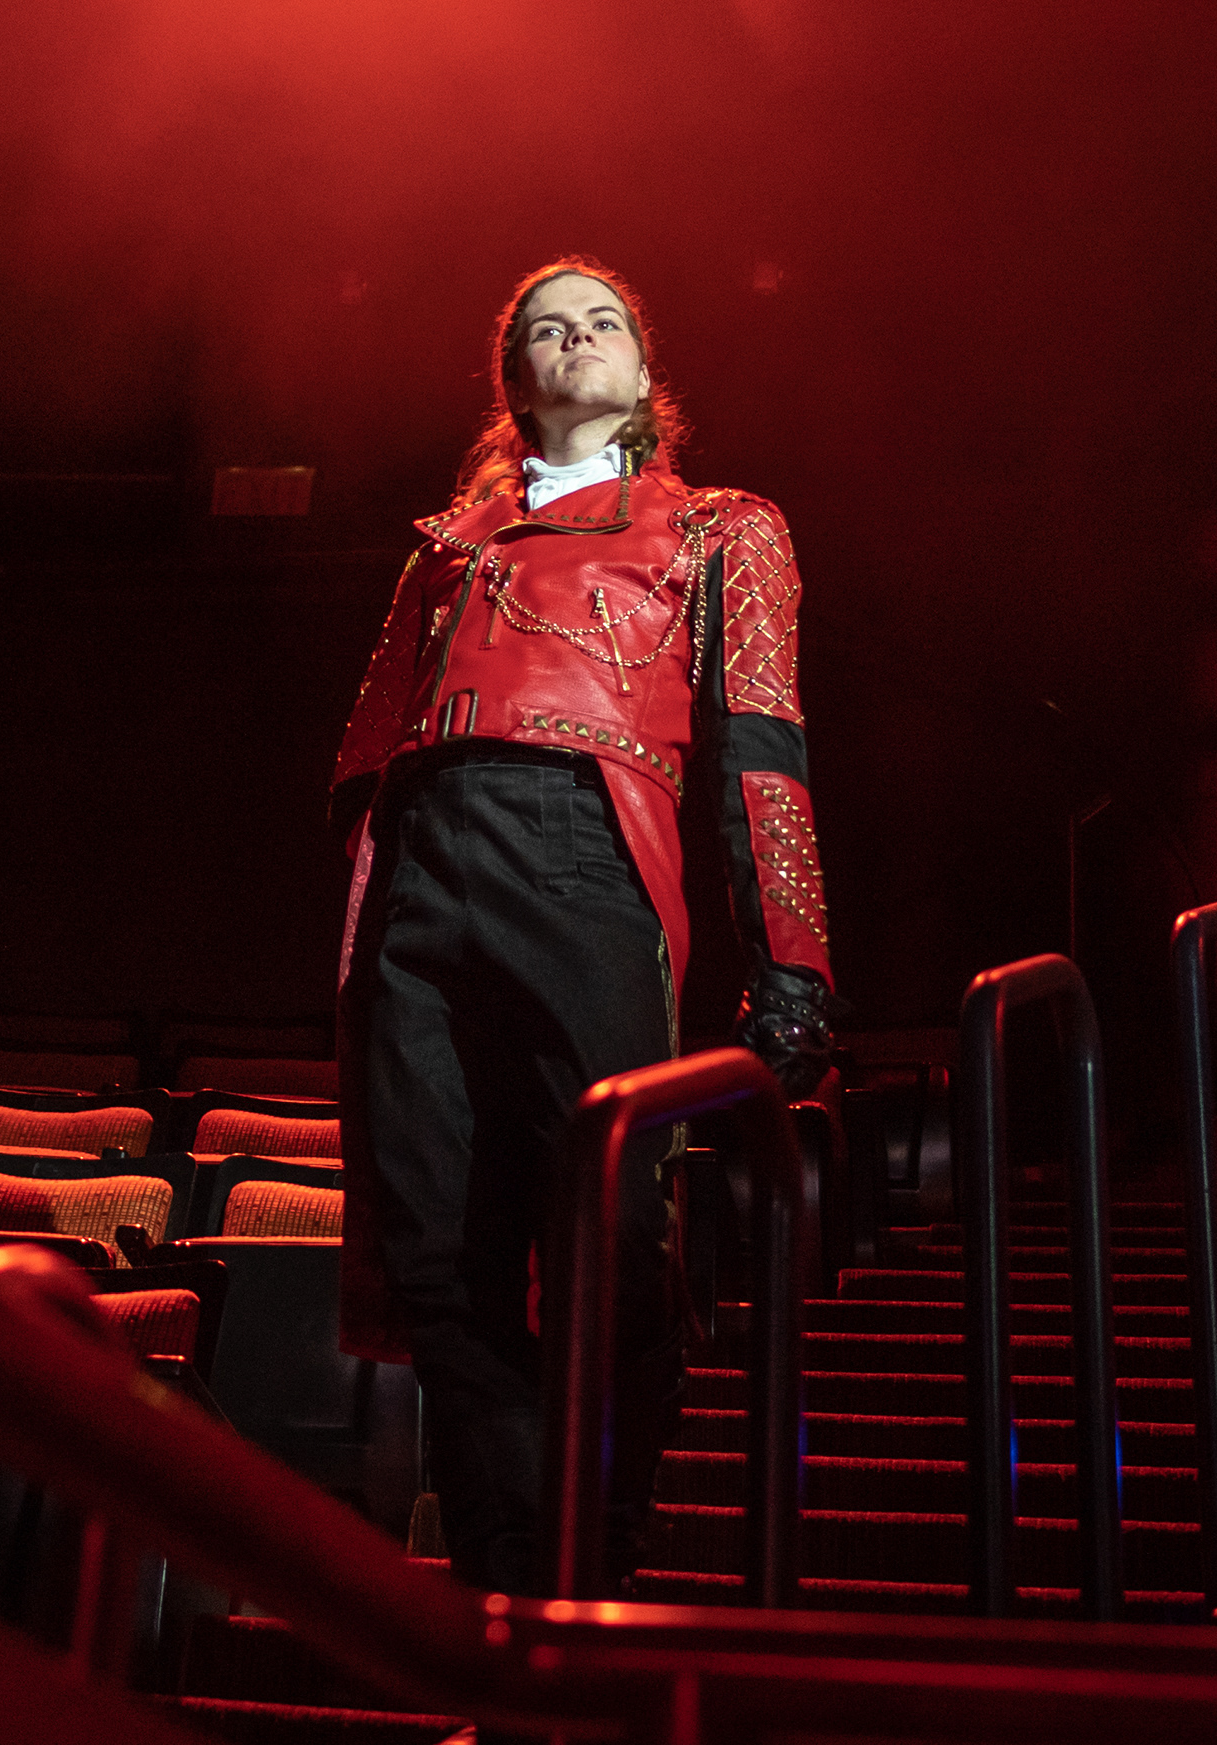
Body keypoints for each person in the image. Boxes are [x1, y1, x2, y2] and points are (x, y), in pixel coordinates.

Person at [328, 256, 842, 1595]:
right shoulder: (441, 549)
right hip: (427, 864)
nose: (573, 337)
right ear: (514, 385)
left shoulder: (724, 525)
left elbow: (763, 749)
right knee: (444, 1245)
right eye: (543, 327)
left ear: (643, 370)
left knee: (614, 1223)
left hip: (584, 853)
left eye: (600, 319)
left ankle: (599, 1545)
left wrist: (793, 968)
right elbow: (364, 759)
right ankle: (507, 1574)